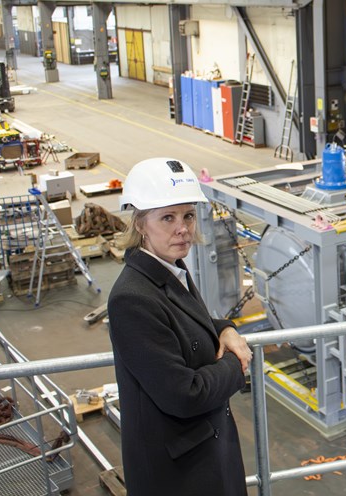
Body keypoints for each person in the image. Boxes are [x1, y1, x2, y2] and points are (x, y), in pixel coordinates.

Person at [108, 158, 252, 496]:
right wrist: (236, 362)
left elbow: (187, 326)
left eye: (187, 215)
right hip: (178, 474)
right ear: (141, 224)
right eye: (167, 218)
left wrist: (225, 329)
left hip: (203, 452)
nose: (182, 228)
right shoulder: (132, 298)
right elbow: (184, 395)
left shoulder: (170, 269)